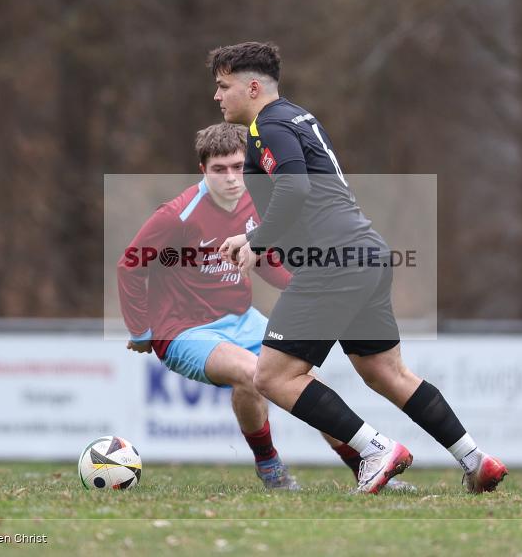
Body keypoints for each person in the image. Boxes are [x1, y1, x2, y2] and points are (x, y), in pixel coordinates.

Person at [211, 42, 507, 494]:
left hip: (333, 261)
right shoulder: (296, 117)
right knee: (385, 372)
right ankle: (474, 459)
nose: (218, 96)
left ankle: (374, 450)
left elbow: (294, 190)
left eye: (223, 86)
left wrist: (255, 239)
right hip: (365, 252)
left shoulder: (265, 126)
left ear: (252, 87)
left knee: (270, 376)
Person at [117, 122, 414, 491]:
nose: (231, 178)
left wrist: (311, 288)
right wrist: (141, 331)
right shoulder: (177, 214)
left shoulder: (254, 202)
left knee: (305, 381)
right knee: (253, 373)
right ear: (202, 171)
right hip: (183, 330)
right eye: (219, 169)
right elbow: (130, 264)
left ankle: (366, 467)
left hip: (243, 320)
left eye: (239, 167)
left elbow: (266, 260)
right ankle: (270, 465)